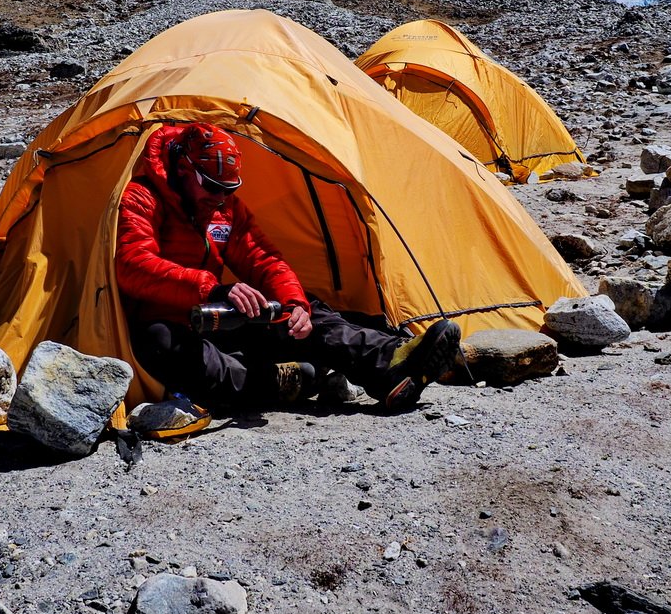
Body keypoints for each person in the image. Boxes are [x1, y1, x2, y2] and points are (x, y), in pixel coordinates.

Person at [116, 121, 460, 411]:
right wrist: (212, 288)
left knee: (301, 309)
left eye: (229, 189)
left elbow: (264, 259)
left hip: (216, 317)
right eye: (212, 187)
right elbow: (133, 265)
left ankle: (387, 365)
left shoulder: (225, 208)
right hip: (166, 323)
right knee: (162, 343)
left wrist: (294, 305)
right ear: (182, 169)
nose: (220, 197)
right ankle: (277, 384)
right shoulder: (142, 197)